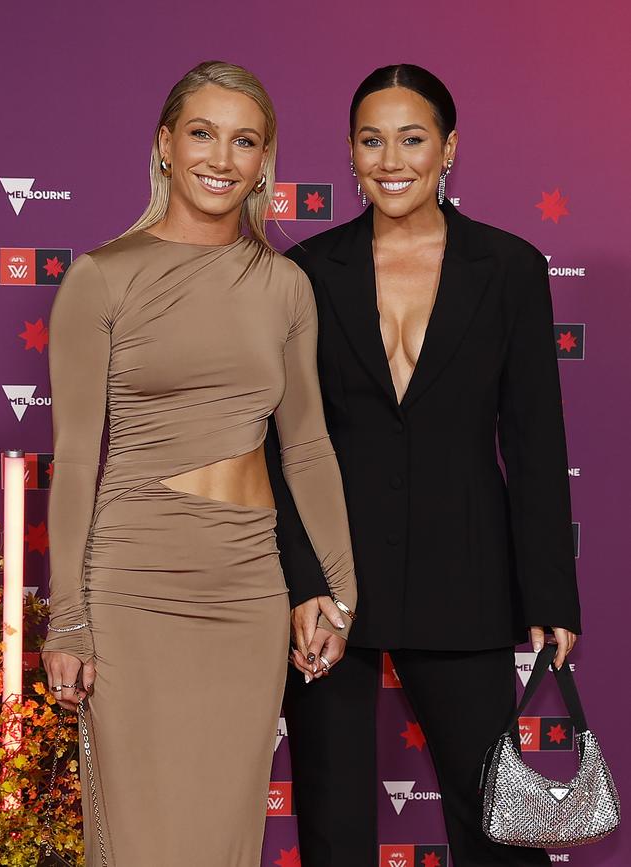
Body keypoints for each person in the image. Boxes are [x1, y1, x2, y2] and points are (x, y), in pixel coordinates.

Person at [40, 60, 356, 867]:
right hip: (135, 585)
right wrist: (68, 614)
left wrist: (339, 587)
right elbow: (76, 460)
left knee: (223, 837)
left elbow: (309, 445)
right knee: (145, 838)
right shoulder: (100, 278)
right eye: (203, 133)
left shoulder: (285, 285)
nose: (222, 156)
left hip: (248, 587)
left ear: (263, 162)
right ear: (165, 145)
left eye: (244, 140)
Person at [265, 63, 581, 867]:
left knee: (494, 820)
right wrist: (304, 581)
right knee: (333, 820)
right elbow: (286, 441)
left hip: (463, 572)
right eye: (372, 140)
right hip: (336, 581)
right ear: (350, 153)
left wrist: (549, 592)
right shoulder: (307, 271)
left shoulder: (510, 268)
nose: (392, 158)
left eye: (412, 138)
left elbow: (536, 437)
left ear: (449, 149)